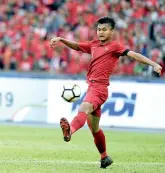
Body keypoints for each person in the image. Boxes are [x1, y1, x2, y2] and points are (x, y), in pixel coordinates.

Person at [50, 17, 162, 169]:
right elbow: (77, 46)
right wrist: (62, 39)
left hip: (99, 89)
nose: (101, 32)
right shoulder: (94, 45)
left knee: (83, 108)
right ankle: (104, 157)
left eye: (104, 30)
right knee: (94, 128)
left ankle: (70, 131)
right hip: (92, 88)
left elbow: (134, 55)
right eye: (99, 29)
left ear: (111, 31)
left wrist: (154, 63)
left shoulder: (115, 47)